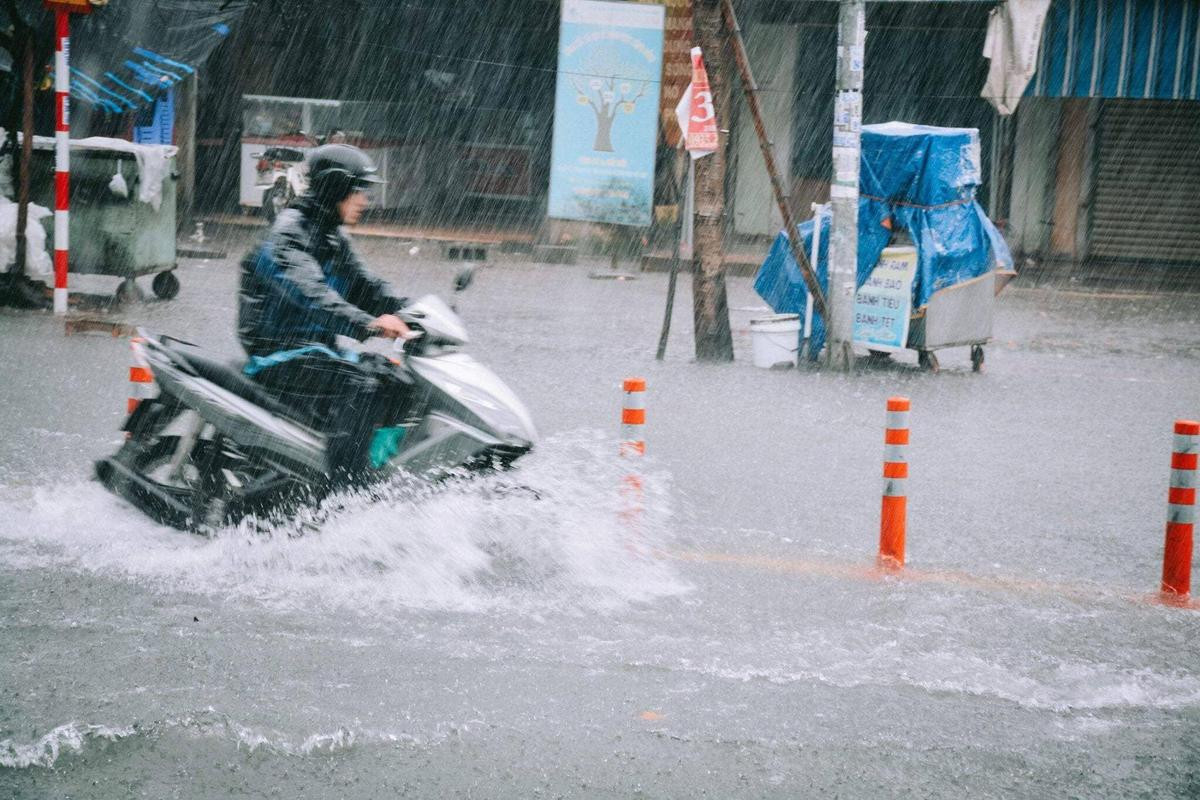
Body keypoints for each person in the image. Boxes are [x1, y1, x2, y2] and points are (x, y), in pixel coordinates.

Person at [237, 143, 412, 477]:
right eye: (358, 190)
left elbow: (366, 288)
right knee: (363, 386)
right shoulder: (289, 234)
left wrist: (413, 312)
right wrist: (371, 325)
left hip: (317, 353)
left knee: (399, 380)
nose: (364, 200)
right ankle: (346, 491)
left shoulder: (331, 236)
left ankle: (381, 472)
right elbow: (312, 296)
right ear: (335, 187)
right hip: (279, 354)